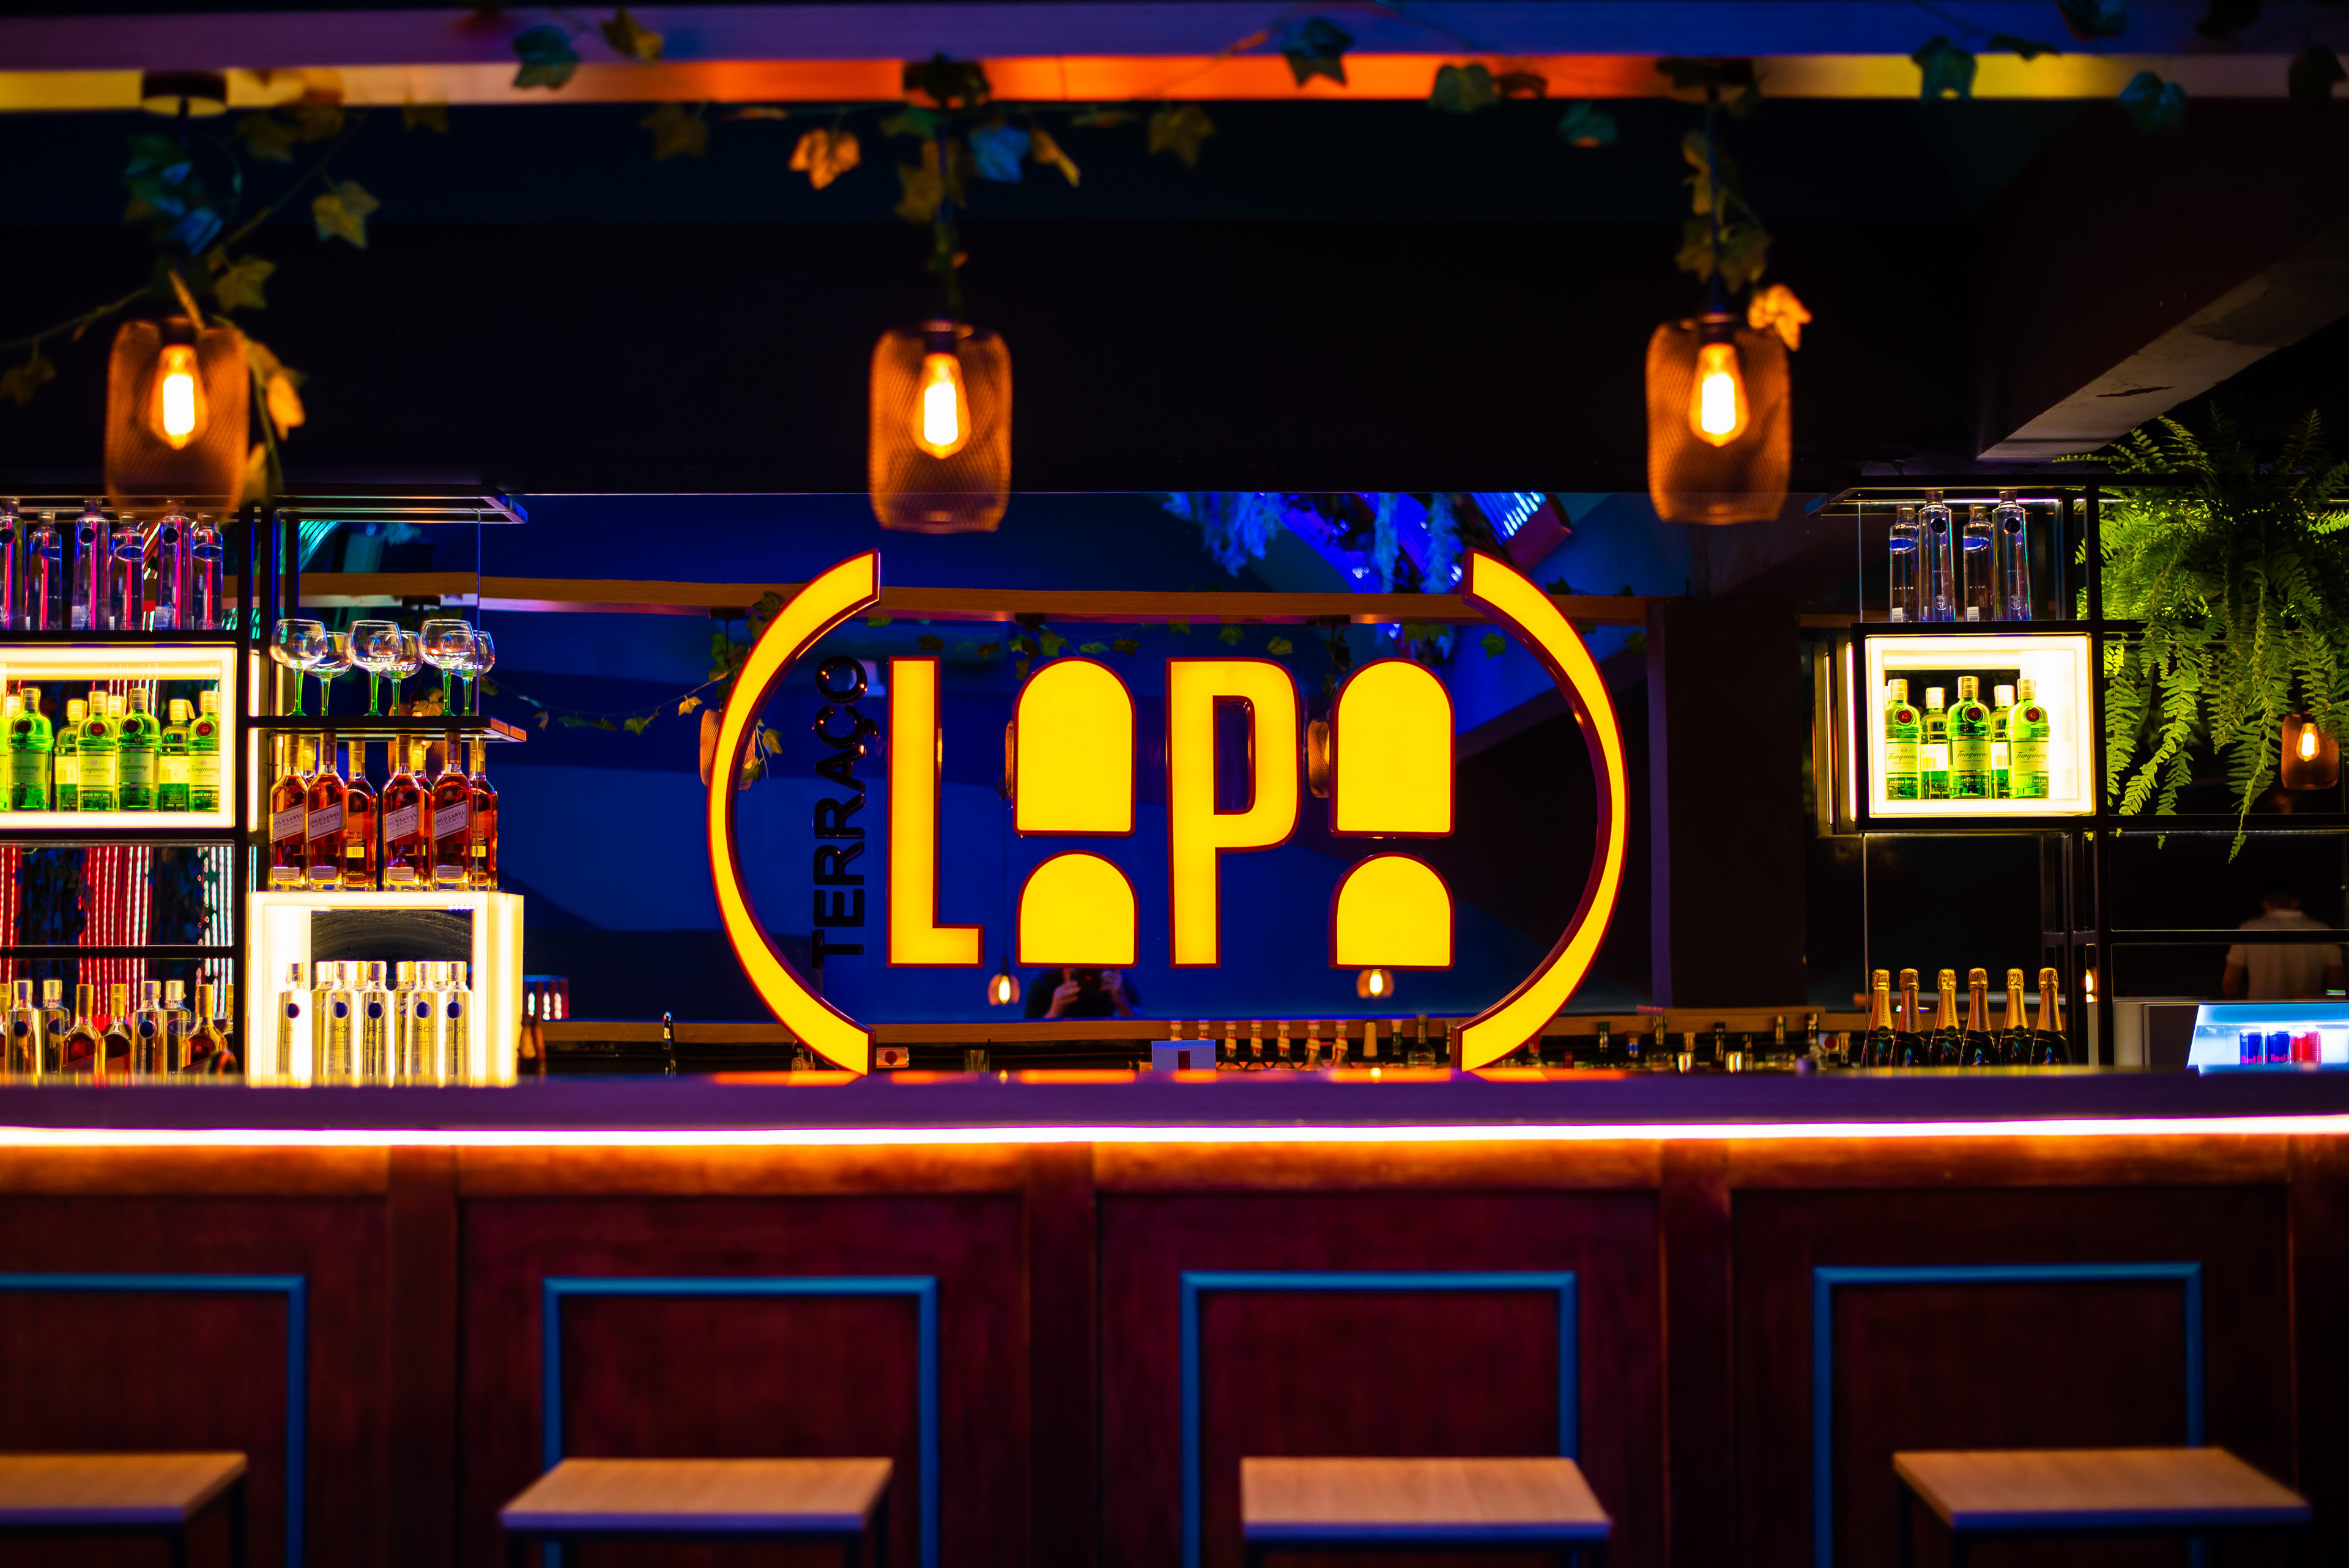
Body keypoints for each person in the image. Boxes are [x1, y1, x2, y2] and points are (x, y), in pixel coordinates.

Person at [2222, 876, 2346, 999]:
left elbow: (2229, 985)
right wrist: (2311, 998)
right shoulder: (2323, 931)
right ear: (2297, 901)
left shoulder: (2248, 929)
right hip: (2308, 1010)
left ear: (2264, 903)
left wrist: (2244, 1007)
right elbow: (2338, 987)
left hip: (2262, 1010)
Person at [1025, 967, 1138, 1021]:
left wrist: (1121, 1001)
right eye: (1077, 970)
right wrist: (1054, 1011)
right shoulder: (1044, 978)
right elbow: (1029, 1035)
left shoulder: (1115, 975)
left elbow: (1140, 1029)